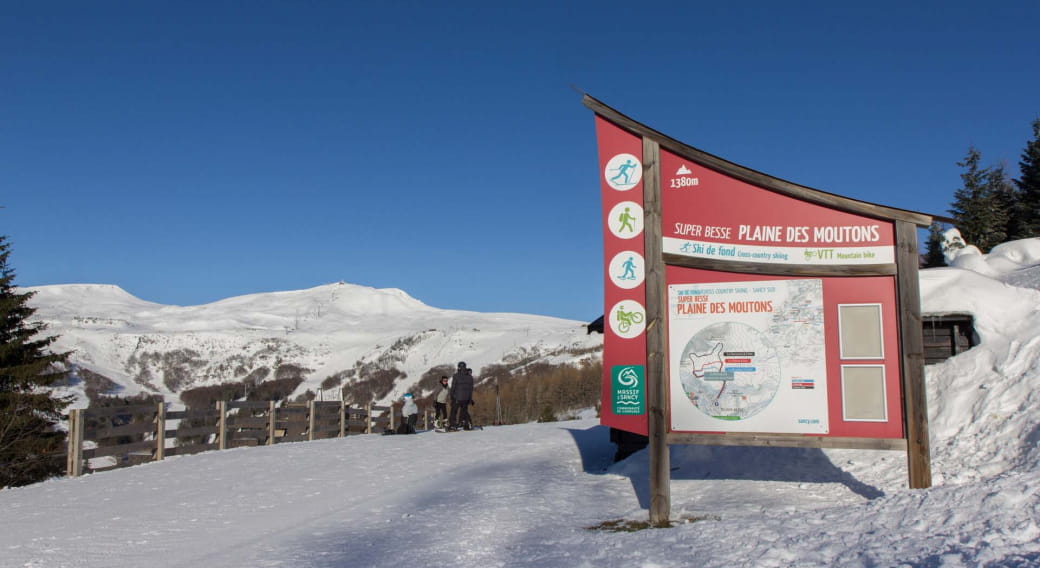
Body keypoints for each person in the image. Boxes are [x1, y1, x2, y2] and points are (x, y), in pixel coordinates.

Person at [449, 362, 474, 431]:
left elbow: (453, 387)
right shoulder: (470, 377)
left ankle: (453, 426)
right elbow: (471, 389)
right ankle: (466, 425)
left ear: (459, 367)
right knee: (464, 412)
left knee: (454, 412)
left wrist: (451, 395)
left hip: (457, 398)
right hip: (466, 399)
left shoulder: (456, 376)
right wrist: (470, 399)